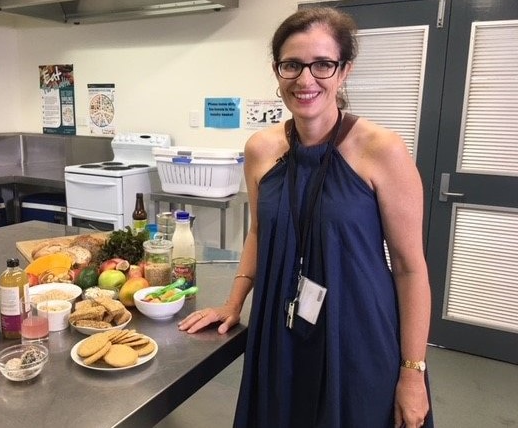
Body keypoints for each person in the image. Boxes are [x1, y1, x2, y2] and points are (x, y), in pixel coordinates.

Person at [178, 7, 434, 428]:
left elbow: (410, 269)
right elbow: (259, 231)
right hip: (280, 326)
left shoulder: (381, 150)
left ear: (344, 70)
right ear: (277, 71)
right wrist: (233, 301)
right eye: (292, 64)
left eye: (322, 64)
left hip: (358, 331)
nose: (305, 79)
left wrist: (413, 370)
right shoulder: (261, 149)